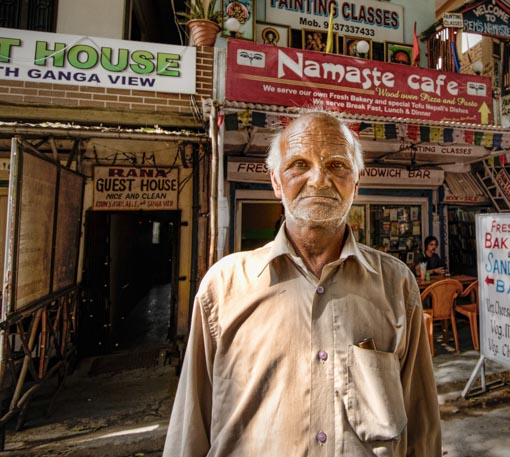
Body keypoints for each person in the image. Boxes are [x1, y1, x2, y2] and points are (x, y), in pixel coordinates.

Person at [163, 112, 441, 457]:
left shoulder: (396, 283)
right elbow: (189, 432)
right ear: (277, 182)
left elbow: (421, 425)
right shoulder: (222, 288)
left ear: (356, 182)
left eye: (337, 164)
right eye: (299, 163)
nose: (319, 179)